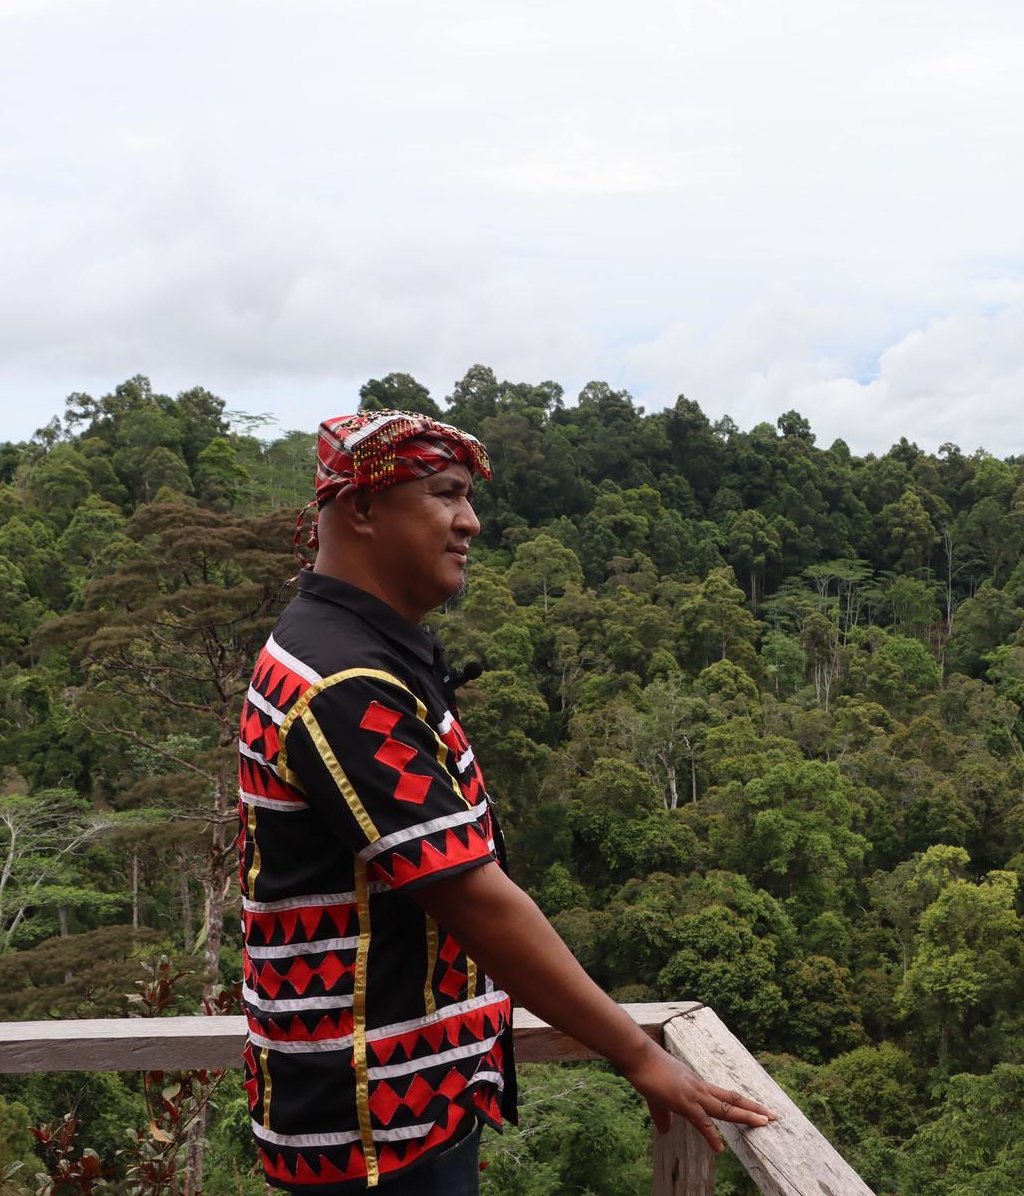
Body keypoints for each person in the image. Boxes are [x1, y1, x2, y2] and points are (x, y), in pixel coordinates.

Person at [237, 410, 772, 1192]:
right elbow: (473, 898)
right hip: (375, 1131)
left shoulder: (350, 649)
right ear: (359, 508)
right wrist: (637, 1053)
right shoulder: (343, 682)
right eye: (445, 494)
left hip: (395, 1111)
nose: (470, 521)